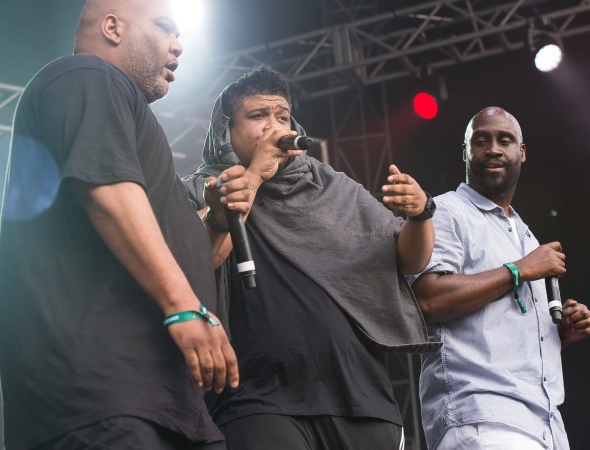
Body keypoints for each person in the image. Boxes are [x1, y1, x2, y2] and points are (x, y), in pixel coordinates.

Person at [0, 1, 238, 449]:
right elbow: (108, 194)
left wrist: (217, 224)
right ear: (112, 26)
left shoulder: (121, 109)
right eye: (166, 28)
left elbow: (175, 253)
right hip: (105, 399)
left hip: (166, 402)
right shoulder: (85, 75)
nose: (179, 46)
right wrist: (185, 307)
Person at [181, 65, 440, 450]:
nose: (275, 127)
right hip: (257, 400)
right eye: (258, 116)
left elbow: (407, 260)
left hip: (362, 398)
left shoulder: (333, 187)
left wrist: (421, 214)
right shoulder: (201, 191)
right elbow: (187, 267)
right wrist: (254, 174)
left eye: (282, 116)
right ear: (225, 132)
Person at [410, 106, 590, 450]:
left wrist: (562, 335)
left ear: (521, 153)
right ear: (466, 152)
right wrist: (519, 269)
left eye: (504, 140)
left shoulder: (527, 238)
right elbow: (429, 300)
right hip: (482, 416)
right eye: (481, 141)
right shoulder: (446, 211)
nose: (493, 148)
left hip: (544, 424)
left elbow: (503, 332)